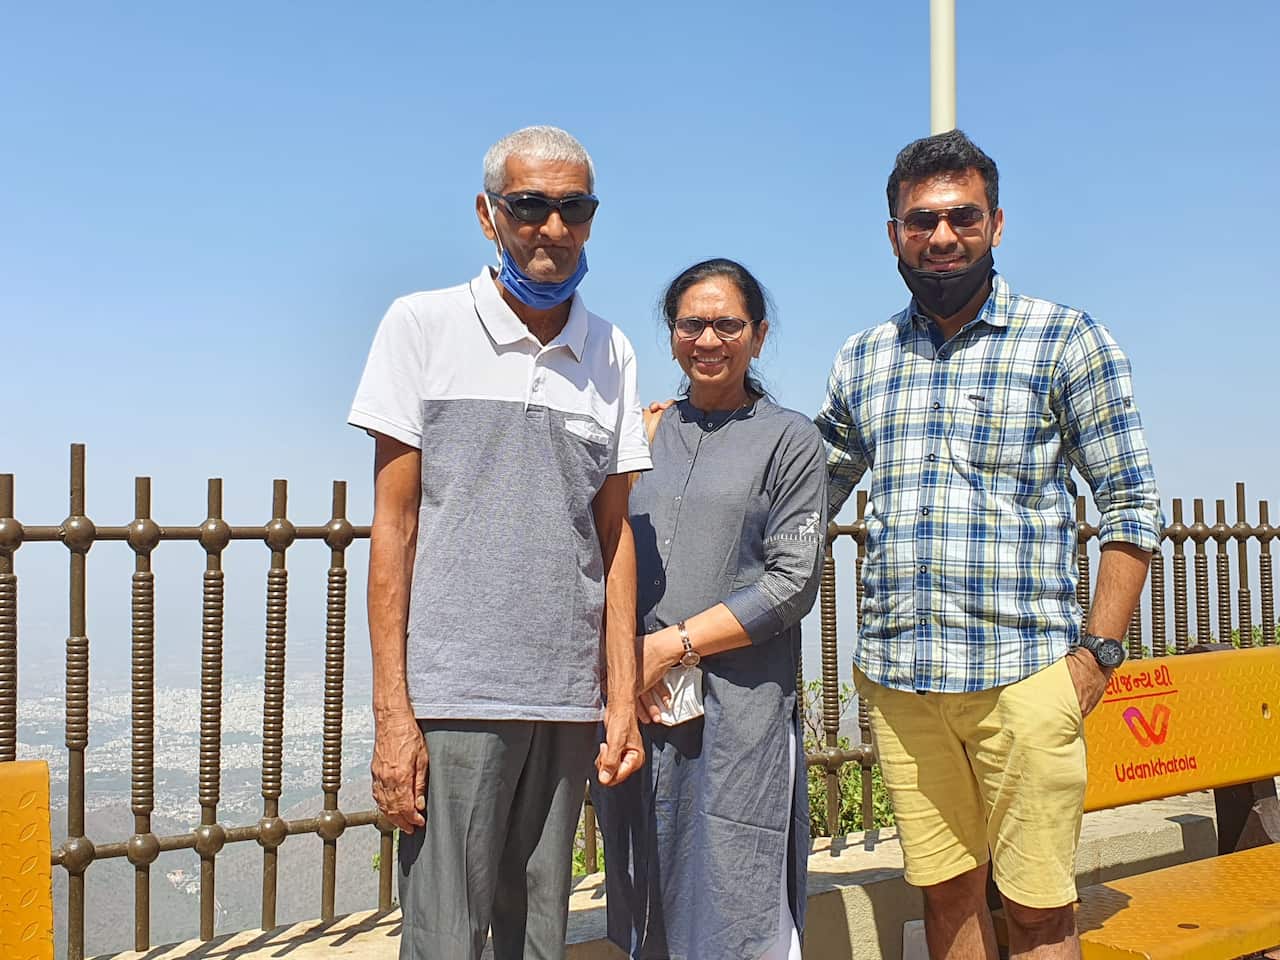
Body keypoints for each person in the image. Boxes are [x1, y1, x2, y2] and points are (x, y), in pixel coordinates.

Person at [815, 130, 1161, 960]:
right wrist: (687, 441)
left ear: (996, 225)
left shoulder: (1065, 340)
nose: (941, 238)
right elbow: (804, 487)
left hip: (1025, 676)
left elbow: (1130, 503)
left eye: (961, 218)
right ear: (893, 230)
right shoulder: (863, 359)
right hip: (903, 683)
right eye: (920, 220)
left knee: (1040, 912)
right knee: (945, 900)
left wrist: (1096, 655)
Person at [348, 125, 650, 960]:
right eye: (530, 207)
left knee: (540, 938)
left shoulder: (612, 351)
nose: (553, 228)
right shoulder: (422, 326)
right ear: (489, 216)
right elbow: (395, 527)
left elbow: (614, 534)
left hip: (564, 697)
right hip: (454, 695)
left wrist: (619, 695)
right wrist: (392, 714)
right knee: (446, 940)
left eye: (573, 208)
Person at [592, 258, 827, 960]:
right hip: (638, 708)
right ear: (671, 336)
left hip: (740, 712)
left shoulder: (789, 439)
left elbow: (791, 583)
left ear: (757, 335)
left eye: (728, 323)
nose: (709, 339)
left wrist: (670, 648)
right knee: (646, 898)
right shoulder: (642, 437)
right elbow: (602, 548)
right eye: (692, 323)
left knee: (735, 901)